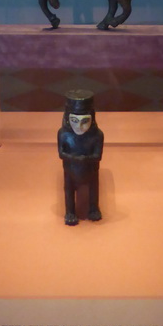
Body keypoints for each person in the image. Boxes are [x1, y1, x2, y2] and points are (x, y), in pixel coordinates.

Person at [57, 90, 104, 226]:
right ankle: (70, 212)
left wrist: (82, 159)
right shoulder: (63, 134)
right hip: (70, 169)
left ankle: (94, 208)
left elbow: (97, 156)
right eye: (74, 121)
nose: (79, 126)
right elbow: (61, 153)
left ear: (92, 117)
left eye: (84, 121)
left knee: (94, 186)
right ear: (67, 118)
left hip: (91, 169)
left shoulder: (97, 135)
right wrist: (79, 159)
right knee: (69, 188)